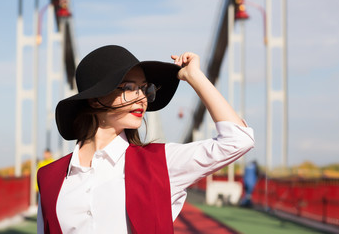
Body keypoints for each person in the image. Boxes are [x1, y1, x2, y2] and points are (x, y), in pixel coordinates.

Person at [37, 45, 255, 234]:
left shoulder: (161, 164)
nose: (142, 98)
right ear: (95, 100)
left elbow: (238, 140)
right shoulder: (49, 179)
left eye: (144, 89)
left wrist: (194, 76)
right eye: (130, 88)